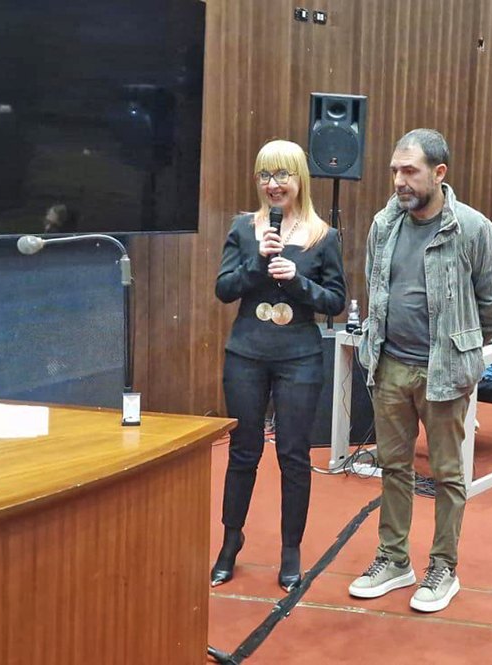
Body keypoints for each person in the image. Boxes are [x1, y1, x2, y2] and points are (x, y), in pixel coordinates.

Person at [349, 129, 492, 612]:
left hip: (443, 373)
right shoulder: (384, 224)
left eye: (410, 171)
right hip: (389, 368)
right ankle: (394, 560)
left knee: (446, 474)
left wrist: (458, 346)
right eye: (394, 171)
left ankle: (444, 567)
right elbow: (376, 288)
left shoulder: (473, 229)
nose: (399, 180)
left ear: (439, 173)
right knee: (393, 467)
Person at [213, 139, 346, 591]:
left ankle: (291, 549)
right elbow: (224, 289)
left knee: (293, 455)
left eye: (282, 174)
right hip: (246, 354)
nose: (274, 184)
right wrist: (258, 261)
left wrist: (298, 282)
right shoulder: (243, 228)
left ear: (299, 179)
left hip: (299, 357)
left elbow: (336, 301)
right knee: (243, 451)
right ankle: (230, 541)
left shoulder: (323, 236)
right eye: (265, 175)